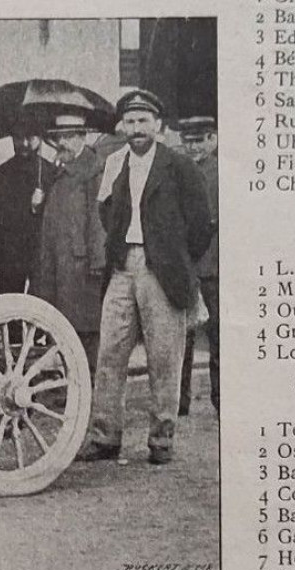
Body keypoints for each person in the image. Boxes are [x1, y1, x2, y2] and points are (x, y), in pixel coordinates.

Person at [75, 90, 213, 465]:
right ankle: (105, 437)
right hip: (122, 268)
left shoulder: (179, 166)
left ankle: (162, 439)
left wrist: (176, 258)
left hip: (162, 272)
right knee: (111, 353)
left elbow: (202, 224)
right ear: (123, 126)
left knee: (165, 356)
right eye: (130, 122)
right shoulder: (115, 162)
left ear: (158, 125)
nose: (136, 129)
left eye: (143, 121)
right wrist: (123, 249)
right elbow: (106, 213)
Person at [34, 113, 117, 365]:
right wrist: (37, 202)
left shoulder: (93, 170)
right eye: (59, 137)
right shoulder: (58, 171)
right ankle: (68, 384)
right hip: (56, 262)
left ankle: (88, 387)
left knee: (85, 329)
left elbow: (98, 218)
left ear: (83, 137)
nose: (63, 142)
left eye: (69, 136)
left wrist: (97, 263)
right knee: (60, 326)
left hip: (81, 267)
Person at [0, 122, 59, 293]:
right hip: (10, 254)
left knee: (41, 304)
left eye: (32, 138)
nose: (25, 144)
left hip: (42, 252)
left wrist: (38, 207)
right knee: (10, 303)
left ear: (41, 139)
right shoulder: (0, 174)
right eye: (19, 137)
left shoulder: (51, 173)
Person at [176, 116, 220, 416]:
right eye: (188, 141)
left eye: (199, 140)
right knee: (182, 338)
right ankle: (179, 401)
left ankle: (222, 399)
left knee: (218, 337)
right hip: (186, 265)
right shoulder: (181, 172)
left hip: (213, 266)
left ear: (212, 139)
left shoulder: (221, 173)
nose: (192, 147)